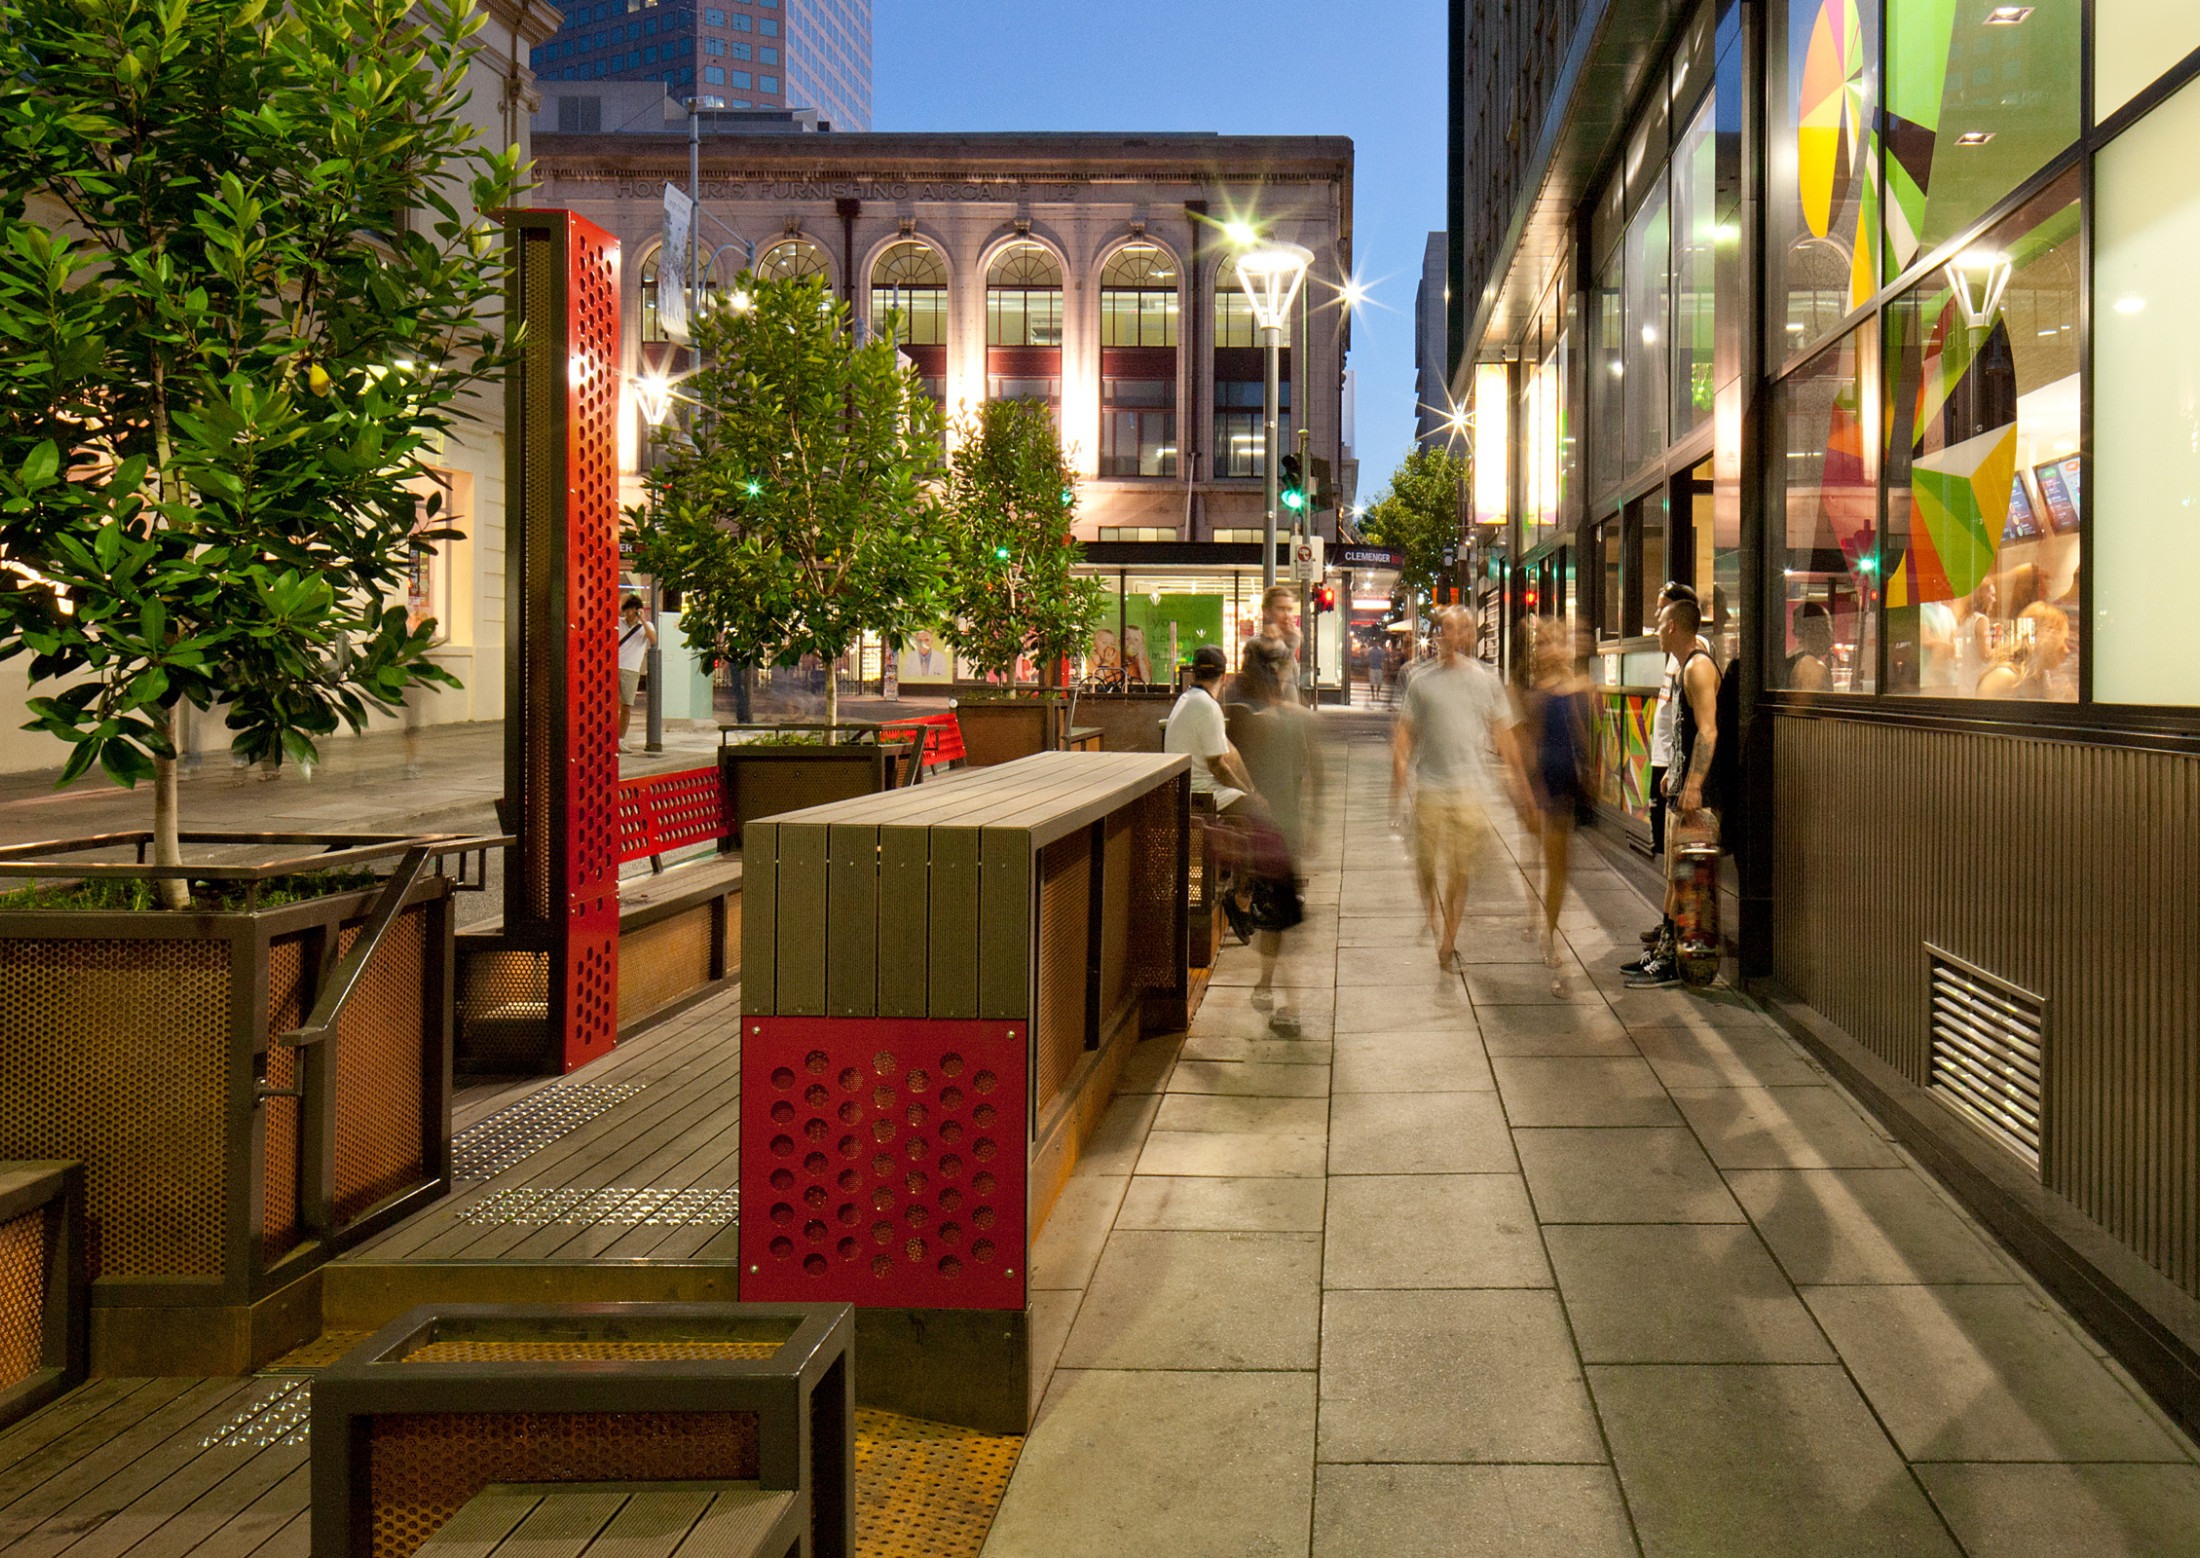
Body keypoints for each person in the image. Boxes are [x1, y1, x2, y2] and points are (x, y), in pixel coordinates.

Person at [1393, 605, 1518, 970]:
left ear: (1472, 636)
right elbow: (1404, 735)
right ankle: (1432, 912)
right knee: (1427, 864)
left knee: (1460, 868)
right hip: (1431, 785)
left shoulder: (1487, 680)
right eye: (1449, 628)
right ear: (1439, 635)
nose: (1457, 636)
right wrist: (1397, 778)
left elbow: (1504, 734)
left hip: (1470, 789)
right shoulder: (1421, 681)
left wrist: (1519, 782)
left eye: (1464, 629)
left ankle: (1449, 939)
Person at [1626, 596, 1719, 988]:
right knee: (1673, 878)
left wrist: (1694, 783)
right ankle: (1665, 952)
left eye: (1660, 622)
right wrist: (1675, 775)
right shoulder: (1683, 668)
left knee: (1683, 880)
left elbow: (1708, 730)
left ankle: (1670, 960)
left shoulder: (1698, 668)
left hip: (1694, 795)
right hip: (1679, 788)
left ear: (1673, 627)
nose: (1655, 630)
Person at [1230, 637, 1317, 1032]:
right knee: (1279, 919)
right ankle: (1272, 991)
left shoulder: (1253, 723)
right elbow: (1313, 774)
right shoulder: (1298, 720)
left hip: (1265, 832)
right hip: (1287, 830)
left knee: (1276, 919)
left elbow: (1244, 777)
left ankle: (1290, 1006)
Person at [1165, 645, 1260, 942]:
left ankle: (1237, 886)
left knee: (1248, 815)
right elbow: (1218, 765)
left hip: (1186, 788)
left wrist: (1245, 789)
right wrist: (1248, 792)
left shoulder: (1186, 700)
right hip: (1202, 793)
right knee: (1262, 823)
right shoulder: (1208, 707)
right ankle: (1241, 903)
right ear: (1225, 675)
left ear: (1194, 672)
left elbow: (1224, 752)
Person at [1519, 620, 1597, 983]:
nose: (1549, 649)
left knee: (1561, 868)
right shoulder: (1534, 693)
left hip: (1568, 782)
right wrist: (1531, 793)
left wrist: (1593, 775)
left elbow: (1585, 733)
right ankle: (1547, 932)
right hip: (1545, 784)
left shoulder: (1582, 686)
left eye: (1556, 642)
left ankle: (1546, 927)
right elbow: (1530, 745)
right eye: (1543, 643)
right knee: (1546, 862)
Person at [1977, 601, 2072, 700]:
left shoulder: (2041, 678)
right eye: (2064, 641)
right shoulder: (2004, 678)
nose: (2066, 650)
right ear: (2048, 638)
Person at [615, 595, 656, 754]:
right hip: (614, 667)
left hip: (631, 669)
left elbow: (653, 640)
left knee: (626, 705)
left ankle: (620, 740)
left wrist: (643, 620)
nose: (629, 613)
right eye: (627, 610)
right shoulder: (618, 623)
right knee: (611, 705)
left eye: (632, 610)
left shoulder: (645, 626)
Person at [1787, 601, 1834, 691]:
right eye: (1827, 627)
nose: (1831, 636)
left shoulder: (1792, 658)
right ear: (1816, 630)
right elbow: (1809, 705)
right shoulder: (1811, 666)